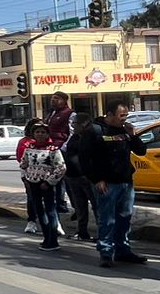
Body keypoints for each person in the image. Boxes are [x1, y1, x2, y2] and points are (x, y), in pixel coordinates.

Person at [73, 102, 149, 268]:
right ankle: (106, 252)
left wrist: (133, 135)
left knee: (125, 218)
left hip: (125, 182)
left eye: (126, 116)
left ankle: (123, 250)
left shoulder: (125, 130)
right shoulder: (94, 131)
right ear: (110, 114)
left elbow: (141, 151)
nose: (124, 119)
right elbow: (85, 159)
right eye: (121, 116)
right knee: (107, 220)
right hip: (106, 184)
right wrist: (96, 179)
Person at [18, 120, 67, 251]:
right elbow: (23, 164)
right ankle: (46, 237)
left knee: (50, 210)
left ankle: (53, 239)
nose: (40, 134)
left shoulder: (53, 150)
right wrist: (25, 178)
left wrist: (49, 182)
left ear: (47, 134)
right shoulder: (29, 148)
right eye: (37, 132)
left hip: (46, 185)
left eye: (43, 132)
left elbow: (61, 168)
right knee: (39, 210)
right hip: (32, 183)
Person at [63, 113, 96, 241]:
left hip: (86, 177)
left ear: (83, 124)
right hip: (72, 176)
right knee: (79, 206)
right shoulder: (74, 137)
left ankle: (103, 233)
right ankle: (82, 231)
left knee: (96, 205)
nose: (72, 126)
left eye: (74, 124)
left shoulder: (90, 137)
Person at [46, 91, 76, 212]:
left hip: (62, 150)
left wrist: (64, 147)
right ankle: (59, 203)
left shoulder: (70, 114)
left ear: (64, 100)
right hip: (51, 150)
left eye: (56, 98)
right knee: (55, 179)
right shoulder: (52, 113)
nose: (53, 100)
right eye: (52, 98)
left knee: (67, 181)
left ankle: (75, 206)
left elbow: (72, 132)